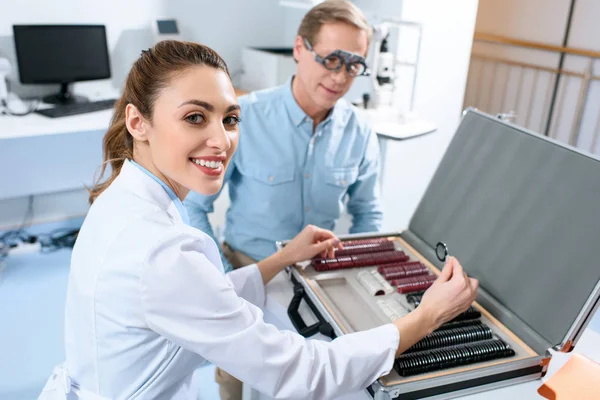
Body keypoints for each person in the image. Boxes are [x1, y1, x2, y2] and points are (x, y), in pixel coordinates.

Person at [38, 40, 478, 400]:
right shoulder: (161, 250)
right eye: (195, 117)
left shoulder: (123, 199)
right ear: (138, 122)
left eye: (229, 118)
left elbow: (196, 299)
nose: (221, 140)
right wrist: (426, 317)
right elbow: (303, 371)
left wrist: (281, 259)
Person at [185, 2, 382, 395]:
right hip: (249, 267)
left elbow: (367, 213)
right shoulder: (247, 118)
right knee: (238, 385)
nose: (341, 76)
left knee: (313, 383)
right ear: (298, 49)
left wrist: (360, 269)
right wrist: (226, 278)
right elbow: (194, 207)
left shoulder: (359, 131)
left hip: (321, 277)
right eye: (330, 59)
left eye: (354, 64)